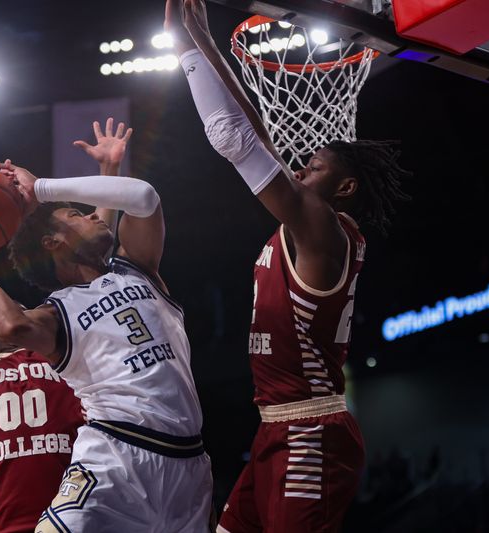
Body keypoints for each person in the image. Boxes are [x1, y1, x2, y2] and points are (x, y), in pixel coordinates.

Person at [165, 1, 411, 531]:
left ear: (344, 188)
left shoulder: (322, 227)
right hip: (275, 428)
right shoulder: (308, 225)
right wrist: (200, 41)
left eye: (314, 166)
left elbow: (235, 139)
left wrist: (191, 47)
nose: (299, 166)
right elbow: (253, 132)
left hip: (312, 431)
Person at [0, 118, 213, 532]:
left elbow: (143, 197)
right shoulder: (55, 315)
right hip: (115, 455)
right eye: (76, 215)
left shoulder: (136, 270)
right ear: (52, 242)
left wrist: (47, 187)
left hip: (190, 464)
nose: (94, 217)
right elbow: (10, 325)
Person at [0, 119, 130, 532]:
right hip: (4, 525)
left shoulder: (61, 343)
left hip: (85, 516)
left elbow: (90, 264)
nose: (8, 312)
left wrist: (109, 174)